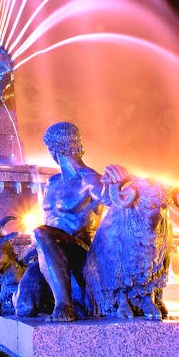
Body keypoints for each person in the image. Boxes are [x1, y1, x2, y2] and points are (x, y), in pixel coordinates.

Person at [33, 121, 128, 322]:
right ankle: (61, 297)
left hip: (80, 251)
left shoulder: (90, 179)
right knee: (25, 306)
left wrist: (120, 182)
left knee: (41, 232)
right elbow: (47, 225)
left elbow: (112, 201)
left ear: (54, 147)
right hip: (48, 252)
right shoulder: (53, 182)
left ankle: (64, 304)